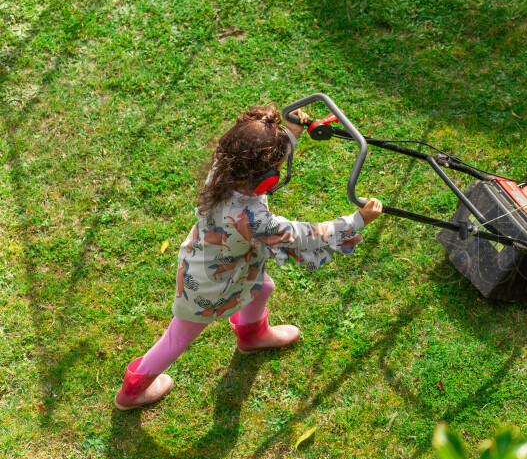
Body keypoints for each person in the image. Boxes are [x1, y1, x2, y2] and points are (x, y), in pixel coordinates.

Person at [114, 105, 383, 410]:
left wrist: (292, 132)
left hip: (225, 264)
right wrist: (357, 220)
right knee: (176, 339)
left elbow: (256, 153)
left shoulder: (224, 169)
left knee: (263, 287)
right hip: (208, 289)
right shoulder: (251, 218)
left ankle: (252, 336)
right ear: (265, 180)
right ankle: (131, 392)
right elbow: (306, 234)